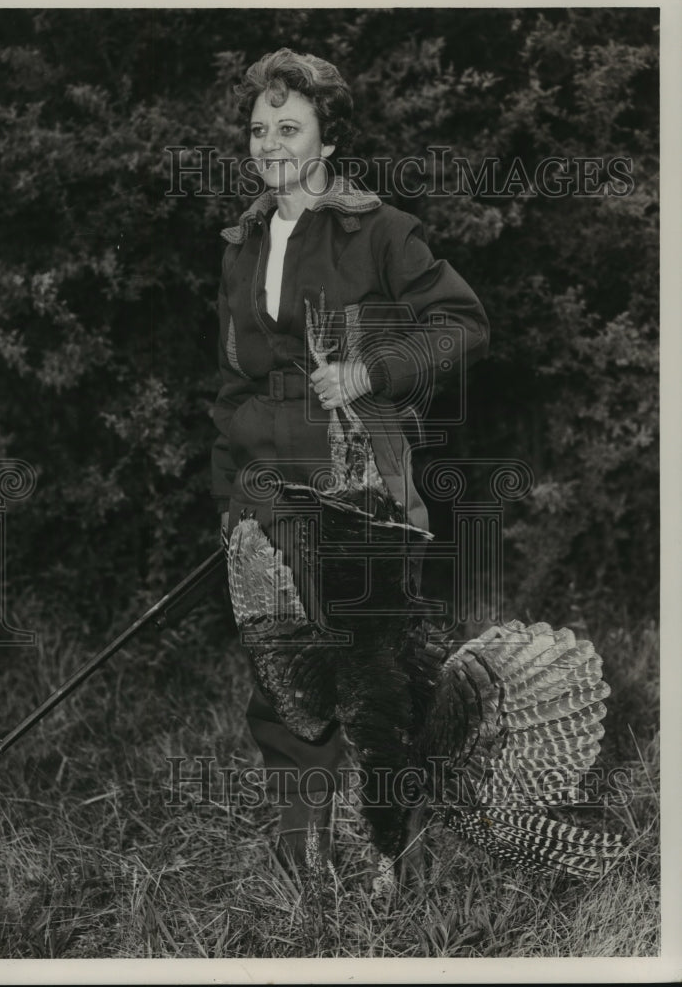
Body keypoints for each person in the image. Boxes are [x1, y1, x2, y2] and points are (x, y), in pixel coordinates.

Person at [211, 48, 489, 868]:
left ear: (326, 142)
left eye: (288, 127)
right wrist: (227, 494)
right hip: (263, 490)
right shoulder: (241, 241)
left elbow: (464, 325)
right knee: (285, 682)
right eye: (259, 128)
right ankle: (303, 863)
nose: (269, 143)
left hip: (358, 490)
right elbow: (230, 382)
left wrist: (373, 370)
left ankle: (392, 861)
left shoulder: (380, 232)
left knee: (375, 682)